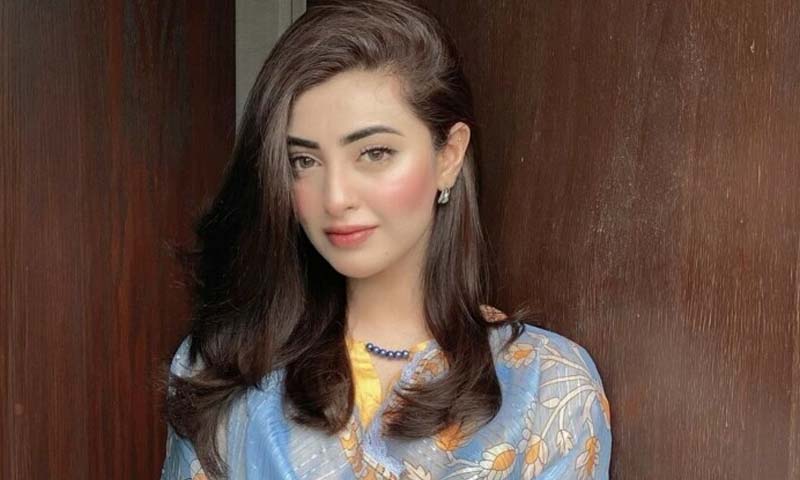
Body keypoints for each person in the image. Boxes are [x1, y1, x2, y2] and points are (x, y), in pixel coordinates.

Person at [159, 0, 611, 479]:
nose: (336, 197)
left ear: (449, 155)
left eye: (374, 153)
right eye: (304, 161)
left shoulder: (546, 388)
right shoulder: (223, 369)